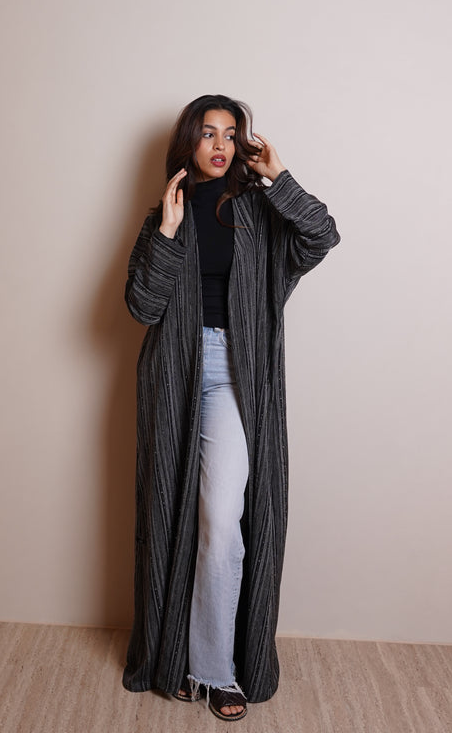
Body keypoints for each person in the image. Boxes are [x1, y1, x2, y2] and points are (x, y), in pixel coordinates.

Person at [122, 94, 340, 721]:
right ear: (189, 142)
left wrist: (279, 176)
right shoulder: (166, 213)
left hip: (238, 376)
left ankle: (217, 669)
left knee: (222, 520)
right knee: (173, 515)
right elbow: (142, 307)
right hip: (176, 373)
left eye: (230, 133)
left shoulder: (259, 209)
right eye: (208, 133)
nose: (220, 144)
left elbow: (322, 234)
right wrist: (167, 233)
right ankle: (177, 662)